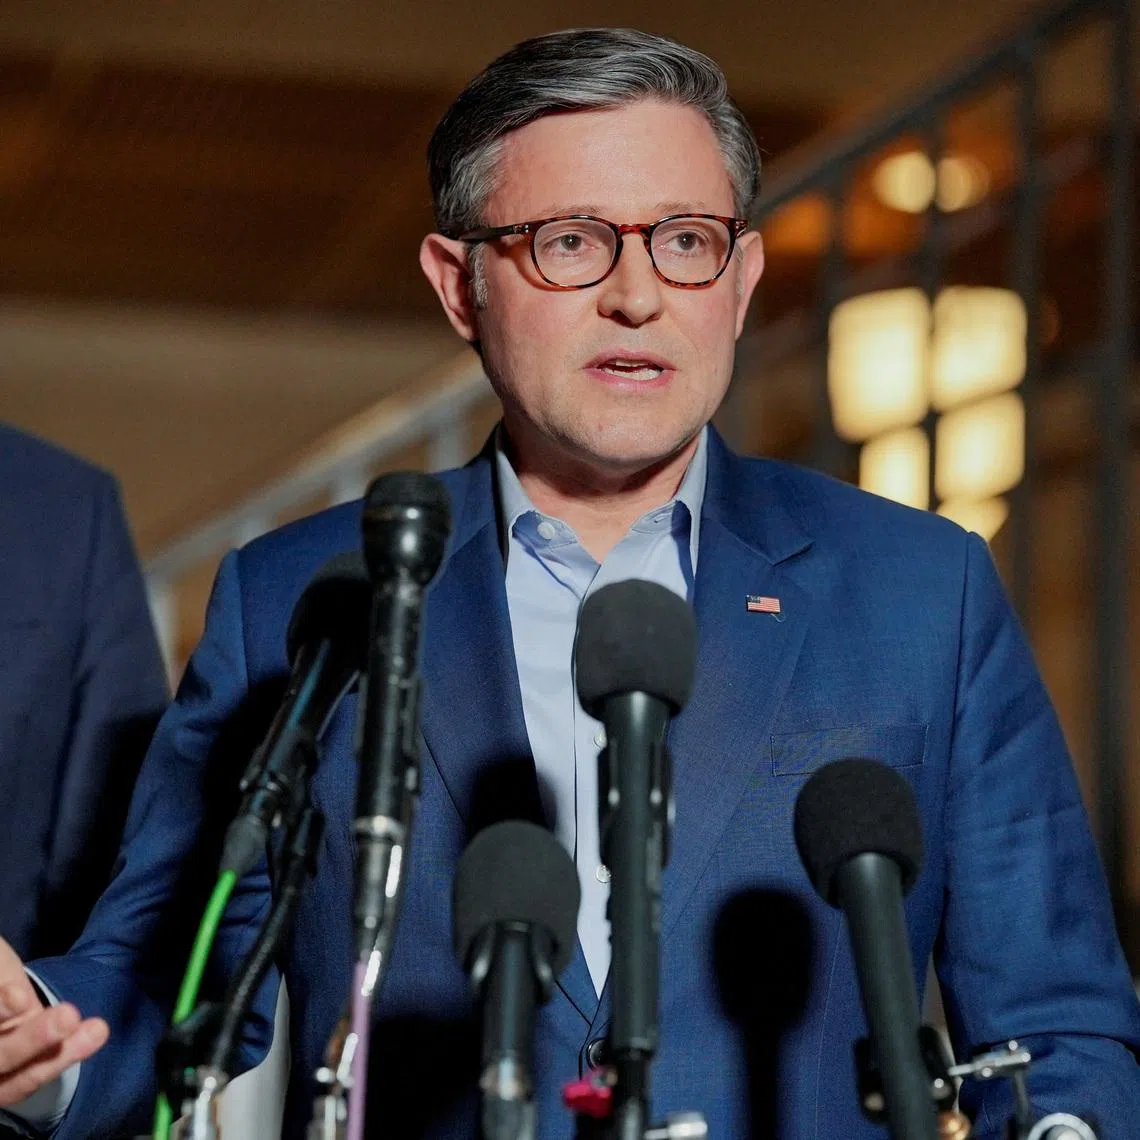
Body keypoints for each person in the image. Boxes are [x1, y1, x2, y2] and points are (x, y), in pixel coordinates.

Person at [2, 28, 1138, 1140]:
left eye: (685, 241)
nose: (638, 296)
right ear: (459, 286)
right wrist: (43, 1043)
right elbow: (167, 977)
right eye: (571, 242)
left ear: (740, 280)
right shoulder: (301, 600)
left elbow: (1056, 1023)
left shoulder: (918, 591)